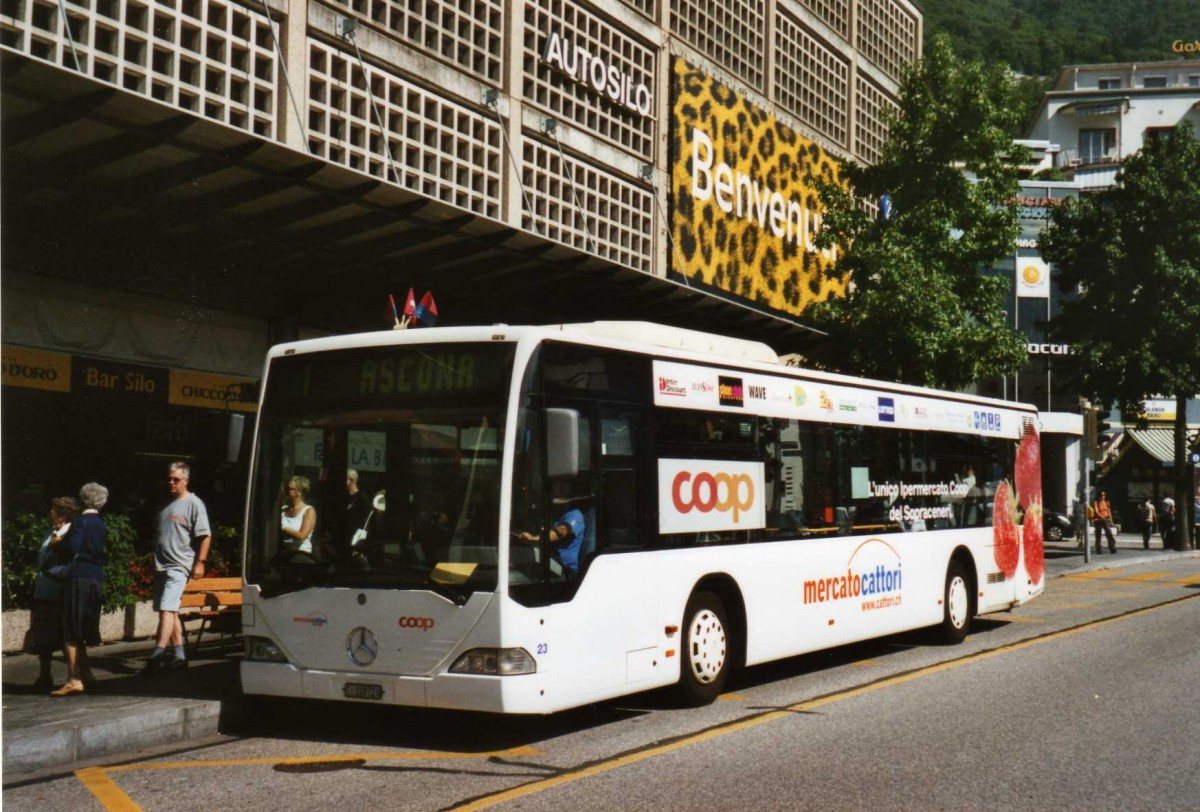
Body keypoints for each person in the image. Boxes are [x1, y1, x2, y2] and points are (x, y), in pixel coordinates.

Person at [142, 462, 211, 675]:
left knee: (166, 610)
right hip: (161, 566)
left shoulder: (194, 503)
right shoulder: (166, 505)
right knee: (171, 612)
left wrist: (200, 562)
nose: (171, 483)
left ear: (186, 481)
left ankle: (157, 654)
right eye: (169, 479)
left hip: (178, 566)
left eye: (176, 480)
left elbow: (205, 535)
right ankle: (180, 656)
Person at [51, 483, 108, 696]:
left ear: (83, 499)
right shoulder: (101, 523)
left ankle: (73, 678)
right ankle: (87, 674)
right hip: (95, 576)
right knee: (82, 627)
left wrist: (57, 543)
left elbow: (72, 547)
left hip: (79, 576)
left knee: (71, 627)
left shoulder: (80, 521)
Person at [30, 496, 79, 689]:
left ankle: (73, 676)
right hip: (43, 589)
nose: (50, 513)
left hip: (58, 589)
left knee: (63, 633)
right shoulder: (48, 533)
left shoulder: (69, 535)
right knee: (42, 634)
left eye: (53, 510)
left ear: (63, 514)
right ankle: (44, 674)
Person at [515, 502, 588, 577]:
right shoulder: (547, 513)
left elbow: (562, 531)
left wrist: (534, 538)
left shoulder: (574, 514)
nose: (557, 492)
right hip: (547, 565)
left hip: (566, 572)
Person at [281, 475, 317, 553]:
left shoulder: (308, 511)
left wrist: (283, 528)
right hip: (283, 551)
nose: (286, 491)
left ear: (299, 492)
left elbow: (302, 536)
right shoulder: (283, 510)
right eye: (286, 489)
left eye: (289, 489)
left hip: (300, 553)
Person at [344, 469, 372, 547]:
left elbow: (365, 523)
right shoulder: (343, 497)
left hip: (354, 540)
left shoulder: (363, 499)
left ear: (350, 480)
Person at [1091, 490, 1117, 555]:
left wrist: (1111, 520)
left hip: (1105, 519)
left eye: (1104, 495)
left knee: (1109, 533)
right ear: (1098, 496)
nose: (1103, 496)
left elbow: (1109, 511)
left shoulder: (1106, 502)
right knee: (1098, 535)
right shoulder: (1096, 502)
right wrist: (1102, 517)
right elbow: (1096, 512)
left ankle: (1112, 547)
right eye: (1101, 495)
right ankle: (1098, 548)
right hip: (1099, 520)